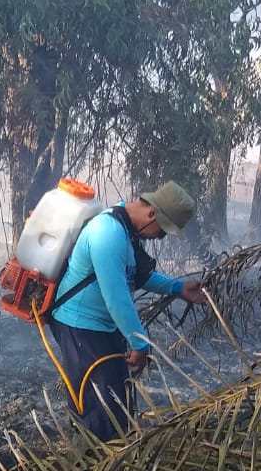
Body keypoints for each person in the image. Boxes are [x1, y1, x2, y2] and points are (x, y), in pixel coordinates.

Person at [46, 181, 207, 440]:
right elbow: (116, 297)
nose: (160, 237)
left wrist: (178, 288)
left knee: (119, 402)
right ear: (152, 214)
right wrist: (140, 343)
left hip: (104, 326)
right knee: (98, 411)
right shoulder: (107, 233)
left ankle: (114, 463)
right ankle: (87, 469)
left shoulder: (128, 231)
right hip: (80, 327)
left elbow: (136, 276)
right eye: (163, 231)